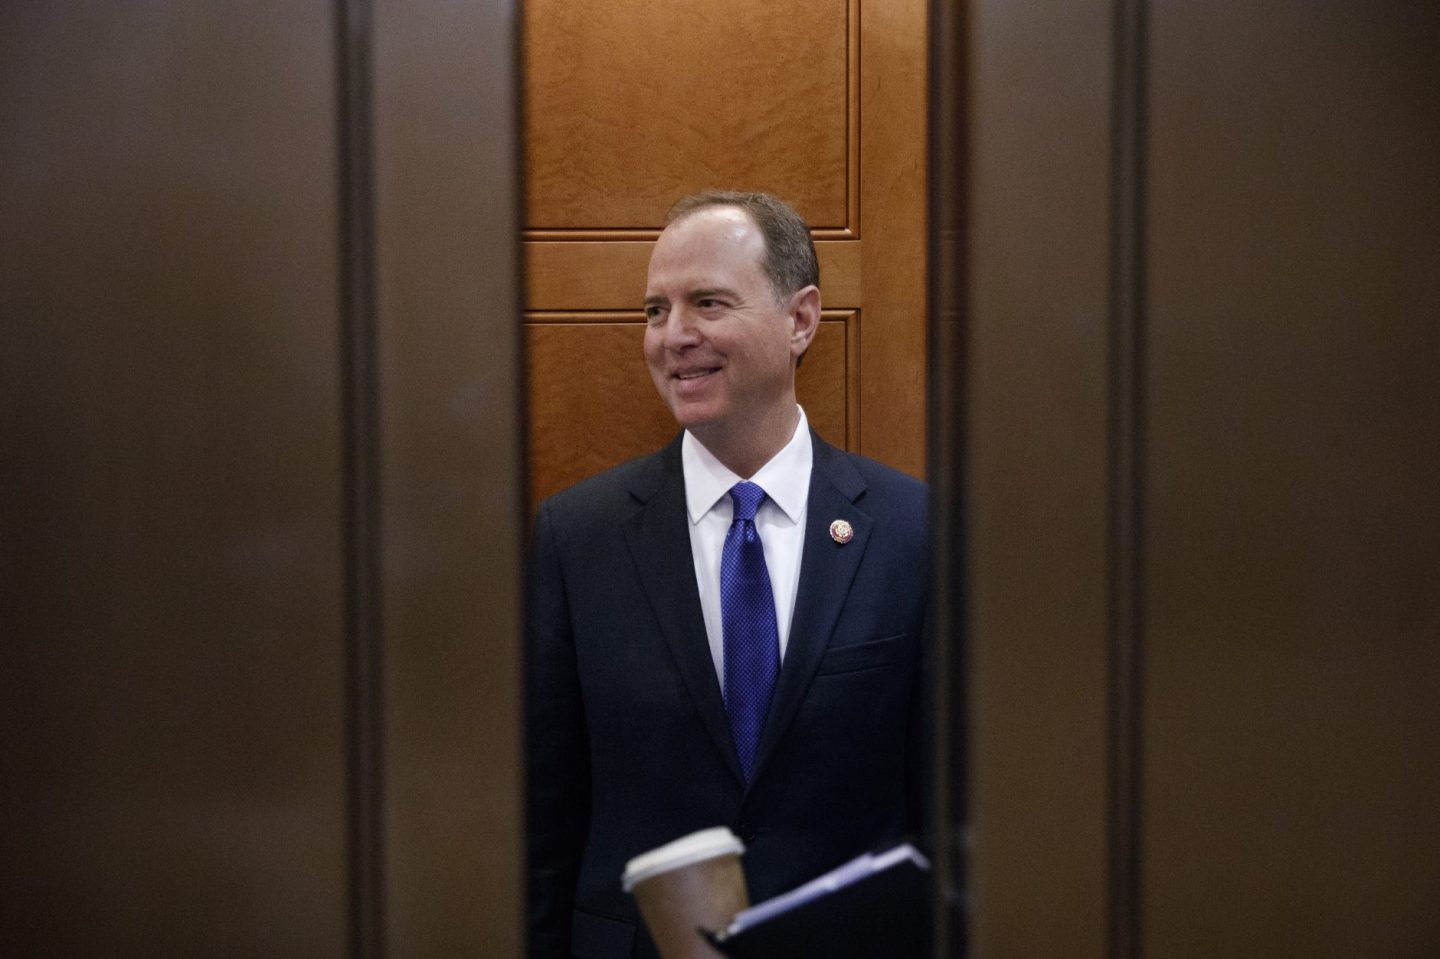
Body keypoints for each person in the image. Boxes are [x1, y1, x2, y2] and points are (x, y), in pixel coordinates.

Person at [526, 191, 929, 958]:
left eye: (707, 302)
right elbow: (543, 824)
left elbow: (950, 810)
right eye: (656, 310)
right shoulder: (576, 539)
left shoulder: (914, 532)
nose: (674, 336)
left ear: (800, 319)